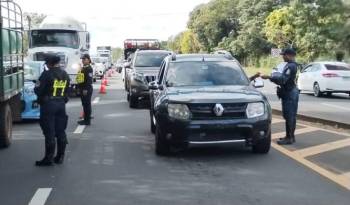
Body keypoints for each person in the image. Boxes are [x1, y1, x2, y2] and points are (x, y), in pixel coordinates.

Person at [34, 54, 70, 166]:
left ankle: (48, 158)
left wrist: (39, 95)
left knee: (49, 131)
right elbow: (68, 89)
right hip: (61, 104)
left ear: (49, 63)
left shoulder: (46, 74)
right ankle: (60, 156)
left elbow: (38, 90)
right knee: (60, 131)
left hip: (49, 105)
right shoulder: (65, 74)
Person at [261, 48, 299, 145]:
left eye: (284, 55)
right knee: (288, 115)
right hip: (289, 92)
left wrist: (269, 77)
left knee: (290, 115)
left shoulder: (291, 66)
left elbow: (282, 79)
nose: (283, 57)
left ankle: (290, 137)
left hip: (290, 93)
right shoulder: (290, 65)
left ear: (290, 55)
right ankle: (289, 136)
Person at [77, 54, 94, 125]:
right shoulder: (84, 68)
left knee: (87, 105)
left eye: (84, 59)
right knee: (85, 104)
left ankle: (87, 120)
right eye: (82, 59)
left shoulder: (89, 68)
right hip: (82, 88)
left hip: (86, 88)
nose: (83, 60)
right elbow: (80, 78)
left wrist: (85, 89)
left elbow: (89, 80)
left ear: (88, 60)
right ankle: (86, 118)